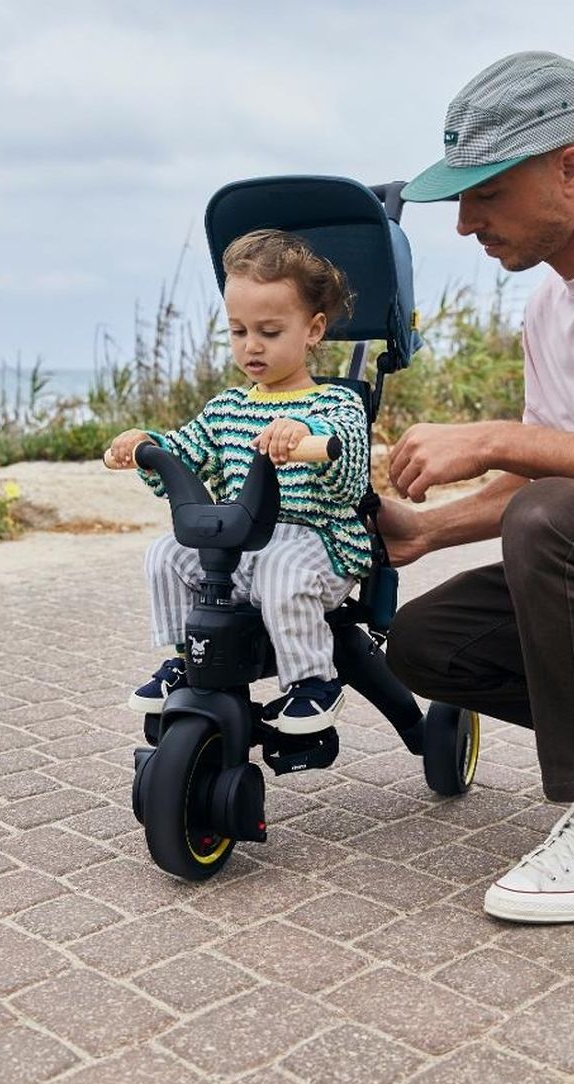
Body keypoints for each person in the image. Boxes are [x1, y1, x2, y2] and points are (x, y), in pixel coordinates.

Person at [381, 50, 574, 923]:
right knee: (425, 643)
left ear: (569, 168)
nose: (466, 224)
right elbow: (539, 477)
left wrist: (496, 436)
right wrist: (428, 529)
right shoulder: (549, 308)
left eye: (487, 193)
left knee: (559, 518)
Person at [106, 229, 371, 735]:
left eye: (269, 332)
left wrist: (310, 437)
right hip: (244, 544)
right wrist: (148, 447)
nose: (251, 346)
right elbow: (185, 452)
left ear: (312, 330)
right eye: (237, 331)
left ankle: (313, 681)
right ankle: (190, 658)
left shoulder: (334, 405)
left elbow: (348, 472)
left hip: (318, 544)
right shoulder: (228, 408)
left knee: (282, 569)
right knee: (166, 555)